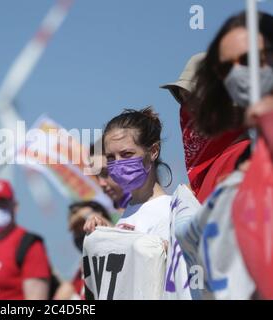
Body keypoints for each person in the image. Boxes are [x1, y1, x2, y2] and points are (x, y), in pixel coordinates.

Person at [174, 11, 273, 300]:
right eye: (226, 69)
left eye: (250, 60)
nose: (239, 75)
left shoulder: (241, 156)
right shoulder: (240, 164)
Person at [84, 107, 172, 242]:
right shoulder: (127, 213)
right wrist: (106, 233)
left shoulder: (171, 211)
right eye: (111, 158)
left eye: (127, 154)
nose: (118, 164)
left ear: (154, 151)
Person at [54, 201, 111, 300]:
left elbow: (119, 237)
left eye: (85, 224)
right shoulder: (78, 276)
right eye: (76, 230)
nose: (81, 233)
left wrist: (90, 215)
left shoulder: (120, 248)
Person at [89, 142, 124, 223]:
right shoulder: (102, 217)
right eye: (97, 176)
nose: (101, 183)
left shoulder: (152, 208)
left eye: (105, 173)